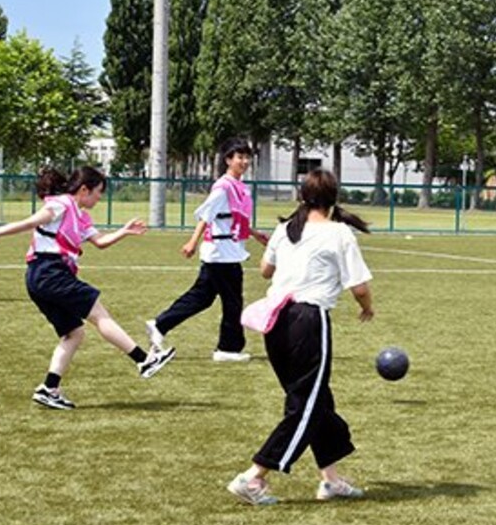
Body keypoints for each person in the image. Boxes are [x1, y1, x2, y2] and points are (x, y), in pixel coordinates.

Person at [0, 167, 175, 410]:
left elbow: (100, 242)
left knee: (74, 333)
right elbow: (29, 223)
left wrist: (124, 231)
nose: (100, 198)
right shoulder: (61, 205)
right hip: (49, 271)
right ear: (84, 189)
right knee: (99, 314)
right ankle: (144, 360)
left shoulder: (81, 216)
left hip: (42, 278)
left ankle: (49, 388)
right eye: (98, 192)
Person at [227, 169, 374, 506]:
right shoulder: (339, 233)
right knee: (304, 407)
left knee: (317, 402)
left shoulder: (285, 229)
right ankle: (253, 477)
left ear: (301, 197)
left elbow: (266, 270)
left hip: (275, 321)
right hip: (308, 321)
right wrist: (368, 308)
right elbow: (360, 287)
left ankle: (331, 480)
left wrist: (283, 251)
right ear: (334, 198)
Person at [145, 137, 268, 363]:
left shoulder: (239, 187)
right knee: (232, 302)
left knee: (201, 297)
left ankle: (160, 324)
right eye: (239, 157)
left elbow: (231, 219)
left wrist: (254, 233)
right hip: (221, 253)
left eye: (247, 157)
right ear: (228, 160)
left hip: (227, 250)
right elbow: (206, 215)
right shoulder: (223, 188)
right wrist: (192, 241)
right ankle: (227, 348)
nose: (244, 161)